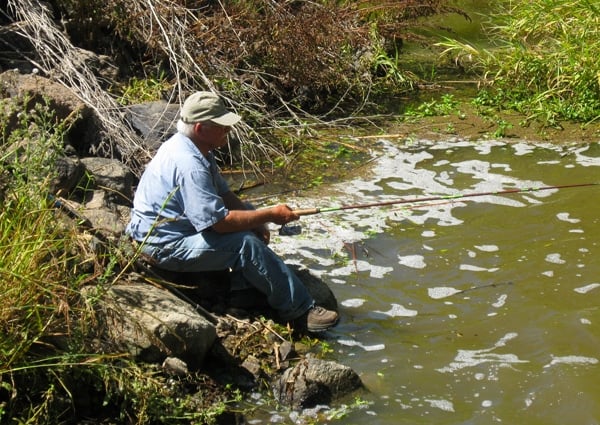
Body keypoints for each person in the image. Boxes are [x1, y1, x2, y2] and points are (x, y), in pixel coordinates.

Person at [126, 91, 339, 332]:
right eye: (222, 127)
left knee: (248, 212)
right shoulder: (190, 165)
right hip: (162, 244)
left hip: (174, 231)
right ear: (199, 128)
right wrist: (269, 215)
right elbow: (219, 224)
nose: (228, 132)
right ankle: (299, 310)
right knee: (244, 243)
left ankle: (242, 290)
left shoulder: (197, 148)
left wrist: (256, 220)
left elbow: (225, 196)